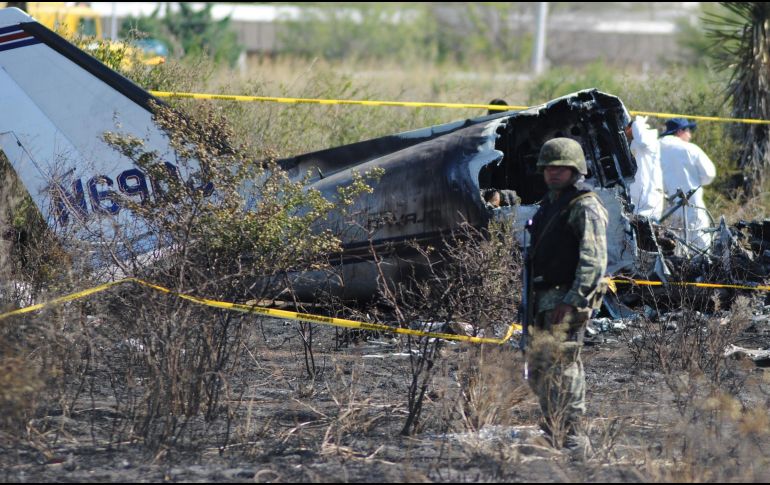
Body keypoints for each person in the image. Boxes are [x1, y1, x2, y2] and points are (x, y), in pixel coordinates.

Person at [527, 137, 608, 453]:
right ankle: (553, 428)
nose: (554, 173)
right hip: (544, 300)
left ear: (576, 169)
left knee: (565, 367)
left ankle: (573, 437)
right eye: (548, 167)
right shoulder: (550, 205)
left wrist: (573, 299)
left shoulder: (585, 206)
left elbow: (594, 259)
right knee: (542, 368)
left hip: (565, 300)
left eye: (562, 167)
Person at [658, 117, 716, 250]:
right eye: (688, 131)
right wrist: (695, 180)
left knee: (672, 246)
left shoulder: (655, 148)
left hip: (666, 206)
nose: (690, 135)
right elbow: (709, 174)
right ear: (679, 132)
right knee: (700, 246)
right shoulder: (690, 149)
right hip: (691, 205)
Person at [625, 115, 664, 220]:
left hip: (648, 201)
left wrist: (636, 123)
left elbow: (643, 140)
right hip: (638, 201)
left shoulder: (649, 139)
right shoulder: (636, 143)